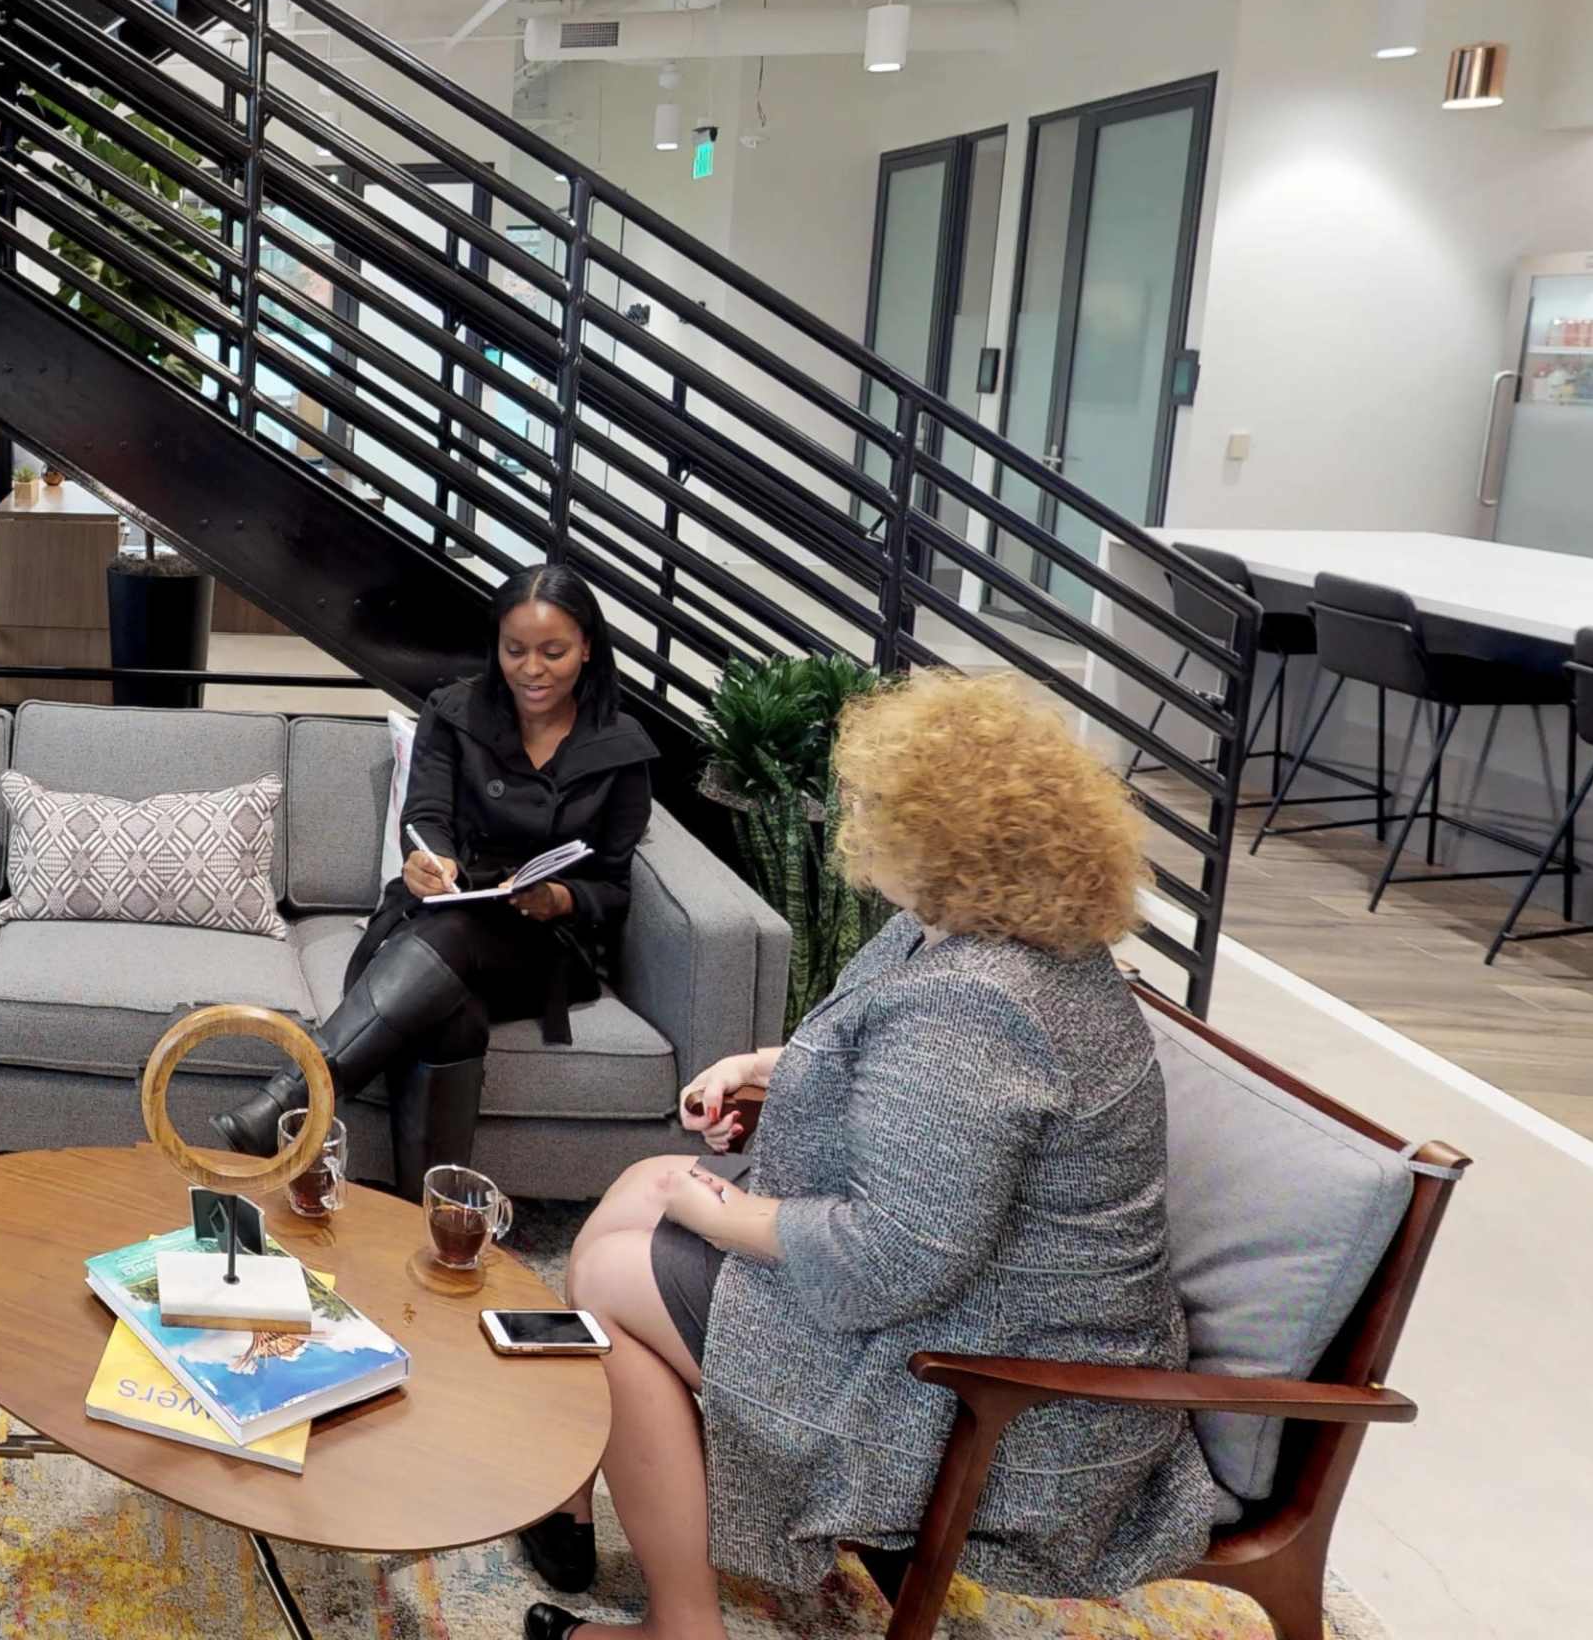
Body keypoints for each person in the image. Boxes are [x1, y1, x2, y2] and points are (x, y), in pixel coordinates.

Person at [519, 668, 1221, 1639]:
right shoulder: (973, 933)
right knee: (642, 1185)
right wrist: (766, 1069)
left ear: (936, 834)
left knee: (610, 1274)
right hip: (984, 1306)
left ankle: (681, 1626)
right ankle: (575, 1489)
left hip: (997, 1393)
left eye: (866, 807)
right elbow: (905, 1079)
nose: (847, 825)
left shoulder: (982, 1001)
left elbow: (891, 1261)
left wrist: (714, 1208)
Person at [217, 562, 654, 1187]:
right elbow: (425, 816)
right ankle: (421, 1216)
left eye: (553, 652)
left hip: (543, 947)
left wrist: (559, 897)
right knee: (452, 1014)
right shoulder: (456, 712)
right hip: (442, 913)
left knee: (453, 939)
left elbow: (613, 888)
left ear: (586, 647)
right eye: (515, 650)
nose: (532, 669)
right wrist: (430, 860)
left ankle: (290, 1101)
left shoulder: (621, 747)